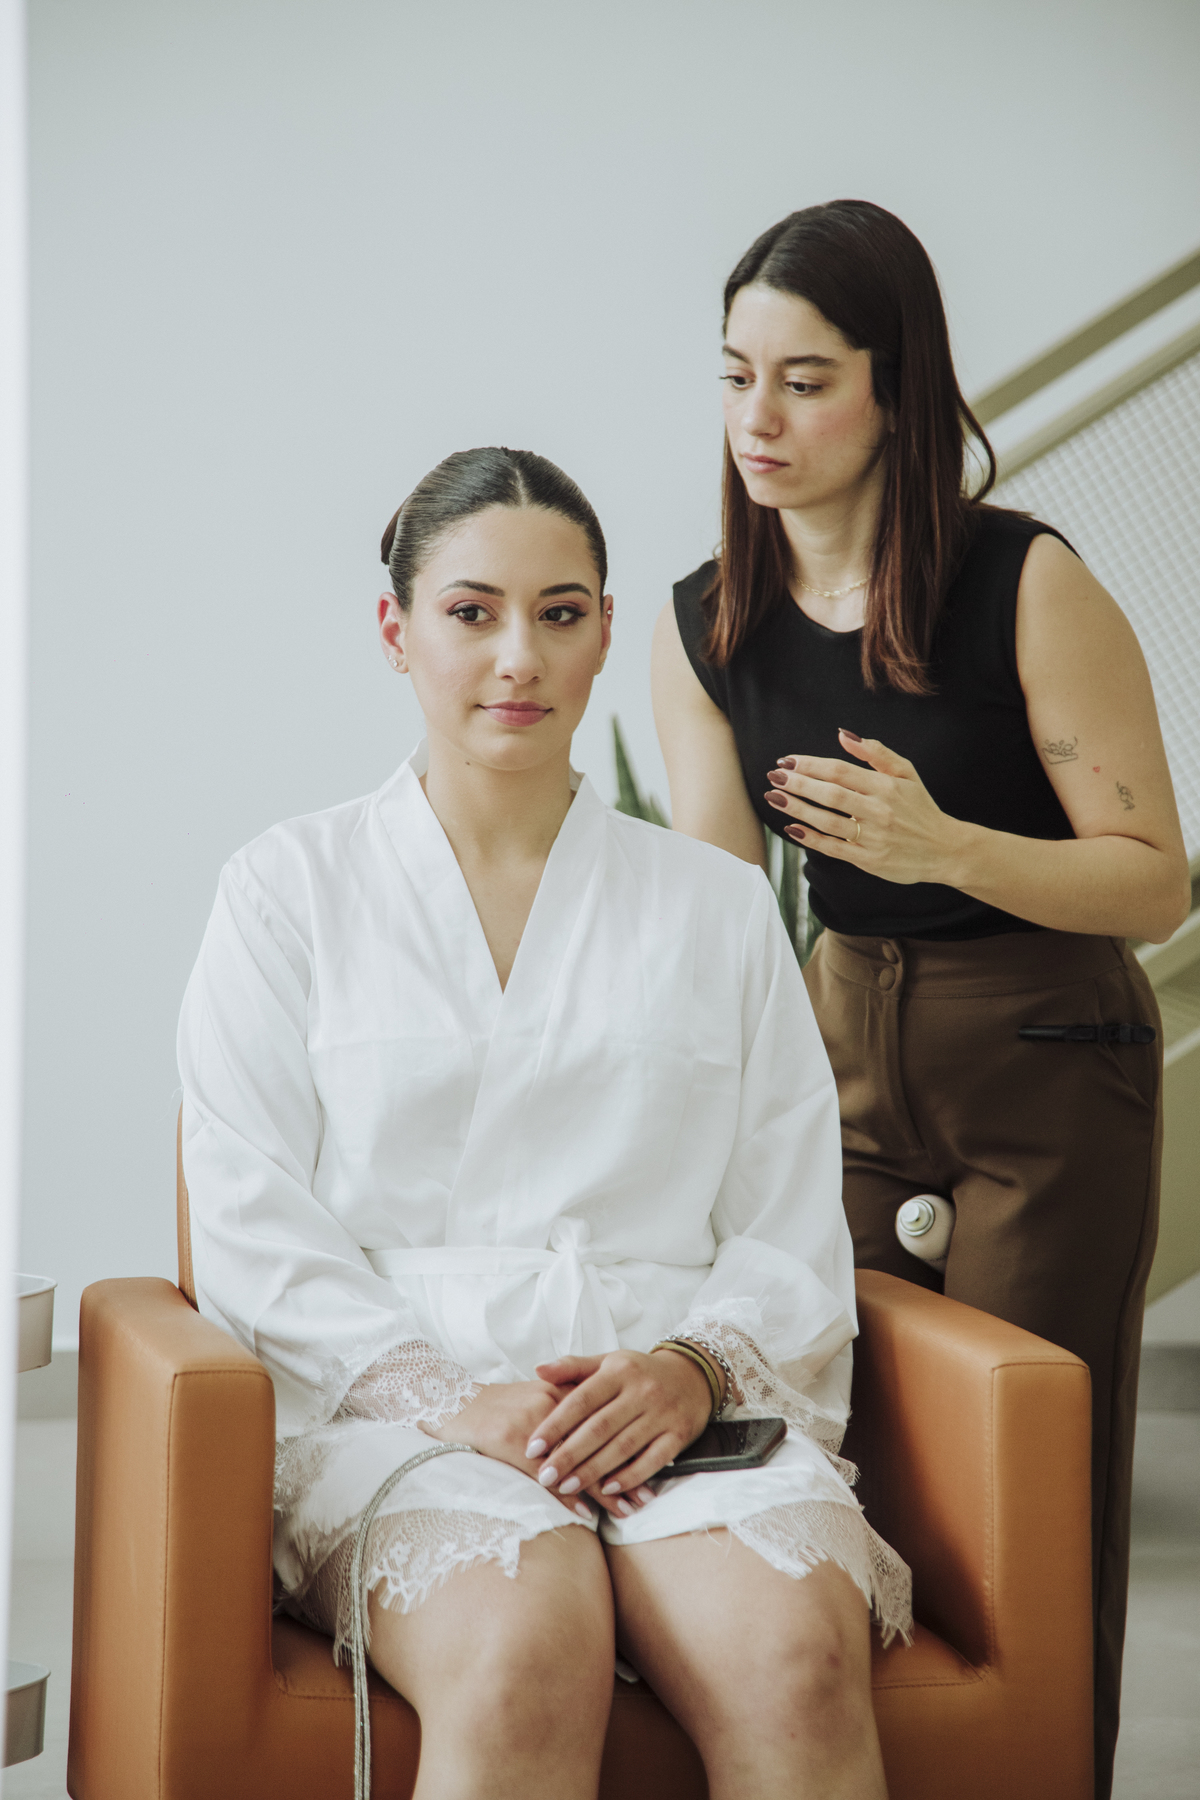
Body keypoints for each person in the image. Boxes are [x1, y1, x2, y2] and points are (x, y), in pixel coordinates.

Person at [178, 446, 910, 1800]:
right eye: (472, 612)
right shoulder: (287, 891)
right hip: (395, 1407)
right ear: (396, 630)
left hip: (665, 1405)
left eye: (559, 613)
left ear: (606, 632)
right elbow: (248, 1212)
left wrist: (694, 1370)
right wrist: (456, 1400)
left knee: (797, 1661)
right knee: (523, 1649)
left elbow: (789, 1208)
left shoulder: (716, 908)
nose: (518, 656)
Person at [652, 200, 1191, 1800]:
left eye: (806, 379)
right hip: (841, 1070)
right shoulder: (703, 624)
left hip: (1049, 1062)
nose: (759, 418)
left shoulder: (1025, 582)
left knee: (1026, 1490)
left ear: (898, 391)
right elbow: (719, 918)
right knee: (836, 1459)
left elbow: (1154, 882)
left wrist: (946, 845)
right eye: (736, 374)